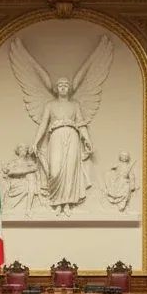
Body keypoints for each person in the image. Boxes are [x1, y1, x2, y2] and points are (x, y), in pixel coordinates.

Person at [32, 77, 93, 216]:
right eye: (60, 85)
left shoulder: (75, 105)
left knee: (70, 170)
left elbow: (81, 123)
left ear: (69, 88)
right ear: (56, 88)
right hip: (56, 135)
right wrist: (36, 141)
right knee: (55, 170)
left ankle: (66, 203)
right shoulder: (50, 105)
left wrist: (87, 140)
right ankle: (56, 200)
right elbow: (43, 124)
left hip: (72, 136)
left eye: (66, 85)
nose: (63, 87)